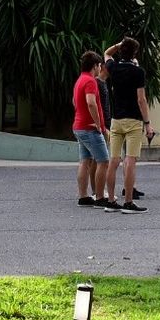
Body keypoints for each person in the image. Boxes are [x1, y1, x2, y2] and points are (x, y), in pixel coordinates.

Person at [103, 37, 155, 213]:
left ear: (121, 50)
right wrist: (147, 123)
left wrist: (118, 45)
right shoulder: (138, 72)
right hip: (133, 120)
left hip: (116, 120)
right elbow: (141, 99)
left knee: (114, 161)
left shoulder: (114, 68)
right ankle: (128, 202)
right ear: (134, 53)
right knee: (130, 160)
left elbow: (107, 53)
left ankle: (110, 200)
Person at [72, 51, 110, 207]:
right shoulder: (90, 81)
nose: (100, 68)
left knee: (85, 161)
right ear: (95, 65)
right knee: (103, 161)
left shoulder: (80, 80)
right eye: (99, 65)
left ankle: (83, 196)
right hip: (89, 128)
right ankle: (100, 197)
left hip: (79, 126)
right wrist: (99, 124)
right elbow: (91, 102)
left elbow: (75, 101)